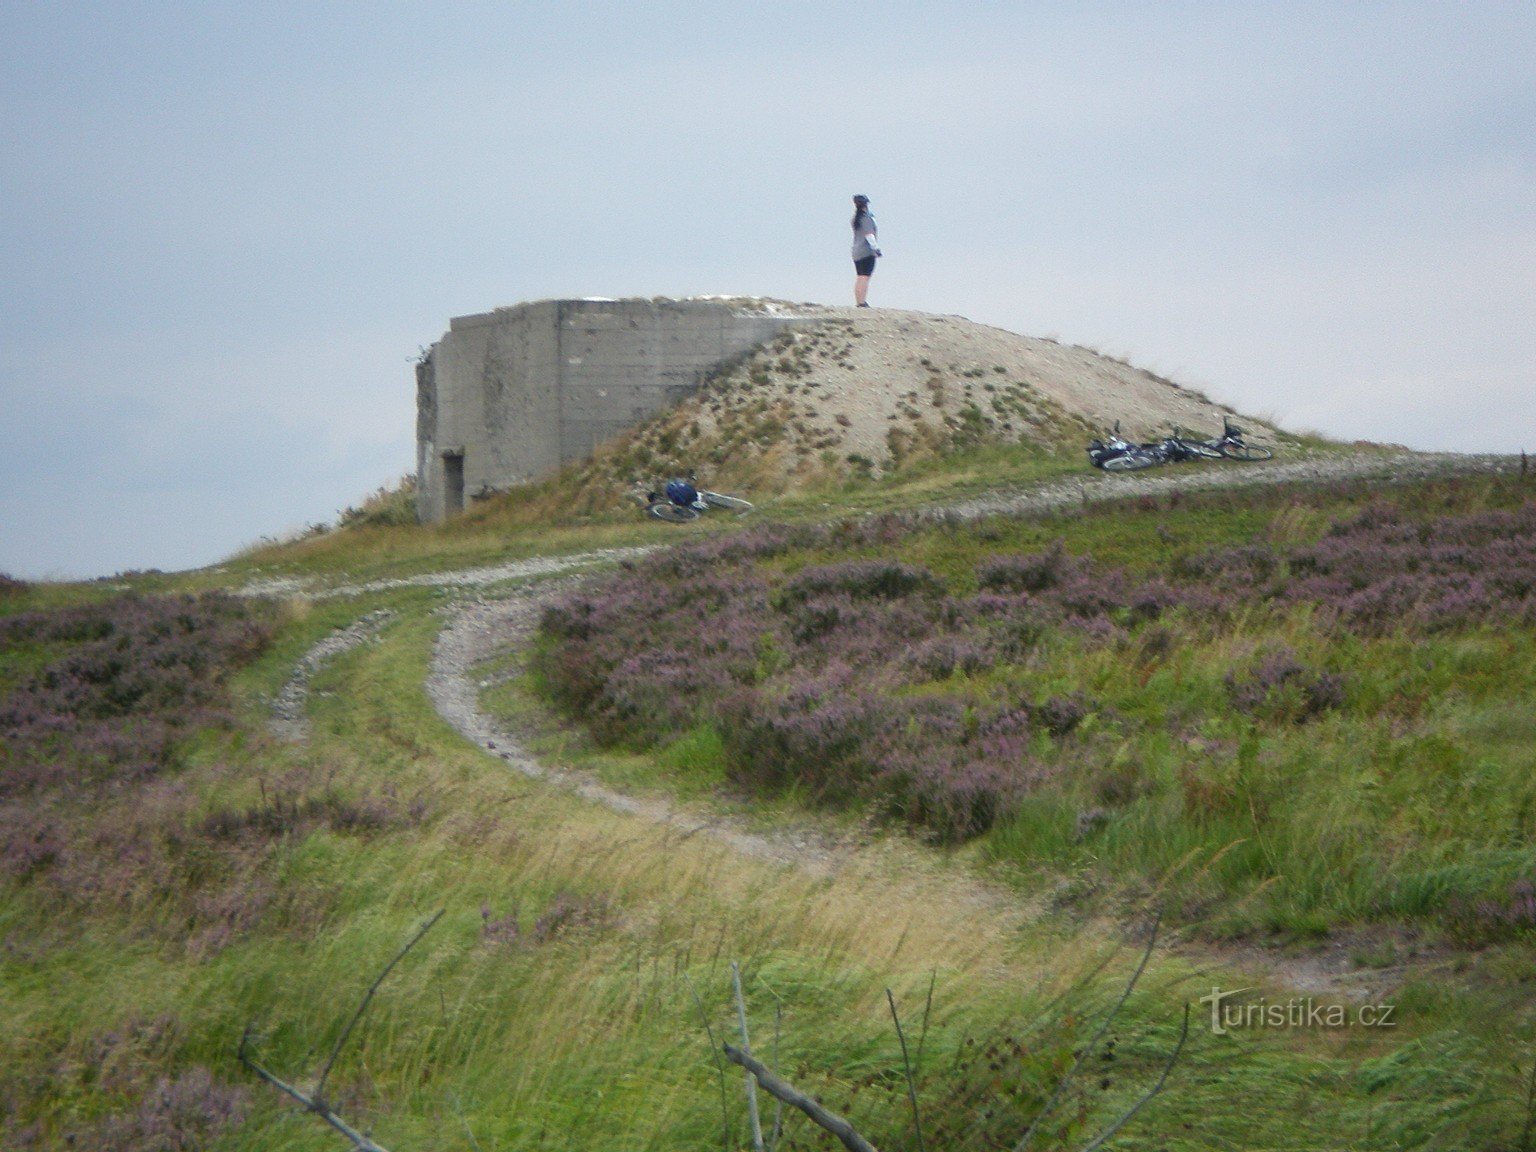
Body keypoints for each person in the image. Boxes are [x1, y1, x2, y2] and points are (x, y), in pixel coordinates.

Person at [850, 194, 881, 307]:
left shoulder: (855, 219)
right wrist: (876, 248)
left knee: (859, 276)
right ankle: (862, 302)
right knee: (865, 277)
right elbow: (869, 235)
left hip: (856, 251)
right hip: (866, 251)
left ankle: (859, 301)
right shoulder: (866, 218)